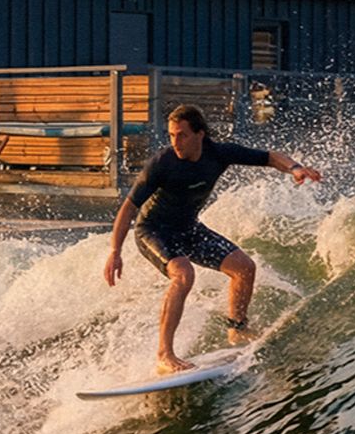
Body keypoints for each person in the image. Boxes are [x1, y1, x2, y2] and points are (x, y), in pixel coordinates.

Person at [104, 103, 322, 375]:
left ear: (200, 134)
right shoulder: (162, 163)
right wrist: (115, 251)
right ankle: (164, 354)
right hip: (154, 230)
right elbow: (128, 209)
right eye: (171, 135)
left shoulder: (218, 154)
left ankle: (237, 330)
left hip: (188, 228)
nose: (176, 142)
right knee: (184, 275)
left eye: (182, 135)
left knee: (244, 268)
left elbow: (270, 157)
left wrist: (295, 169)